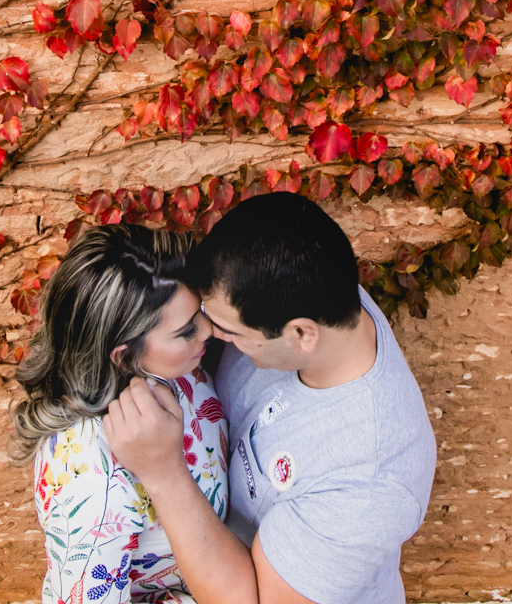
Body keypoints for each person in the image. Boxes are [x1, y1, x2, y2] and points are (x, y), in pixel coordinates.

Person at [103, 192, 437, 604]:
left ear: (301, 334)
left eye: (232, 333)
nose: (210, 333)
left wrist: (161, 473)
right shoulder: (314, 288)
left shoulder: (370, 478)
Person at [11, 224, 230, 603]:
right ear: (124, 356)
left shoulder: (169, 368)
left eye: (201, 313)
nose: (208, 330)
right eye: (185, 330)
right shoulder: (91, 482)